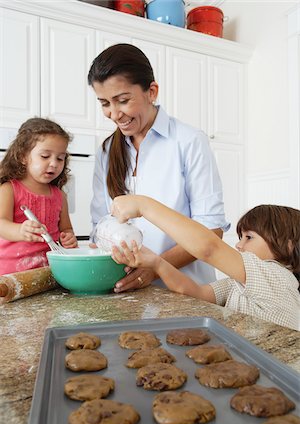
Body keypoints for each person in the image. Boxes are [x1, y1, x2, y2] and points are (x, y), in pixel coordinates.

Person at [88, 43, 229, 292]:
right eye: (104, 103)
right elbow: (100, 225)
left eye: (122, 100)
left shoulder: (188, 141)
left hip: (188, 291)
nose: (113, 114)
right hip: (127, 291)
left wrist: (154, 269)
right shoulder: (108, 150)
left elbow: (211, 230)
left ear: (151, 91)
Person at [111, 195, 300, 331]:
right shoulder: (240, 284)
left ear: (289, 245)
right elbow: (196, 293)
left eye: (249, 237)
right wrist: (157, 263)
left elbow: (209, 248)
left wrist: (144, 206)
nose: (239, 244)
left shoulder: (277, 277)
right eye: (241, 237)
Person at [0, 117, 77, 275]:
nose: (54, 163)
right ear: (23, 156)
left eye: (60, 158)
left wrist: (68, 238)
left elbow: (66, 229)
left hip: (50, 271)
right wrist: (20, 231)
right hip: (12, 272)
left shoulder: (59, 196)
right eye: (45, 156)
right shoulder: (9, 189)